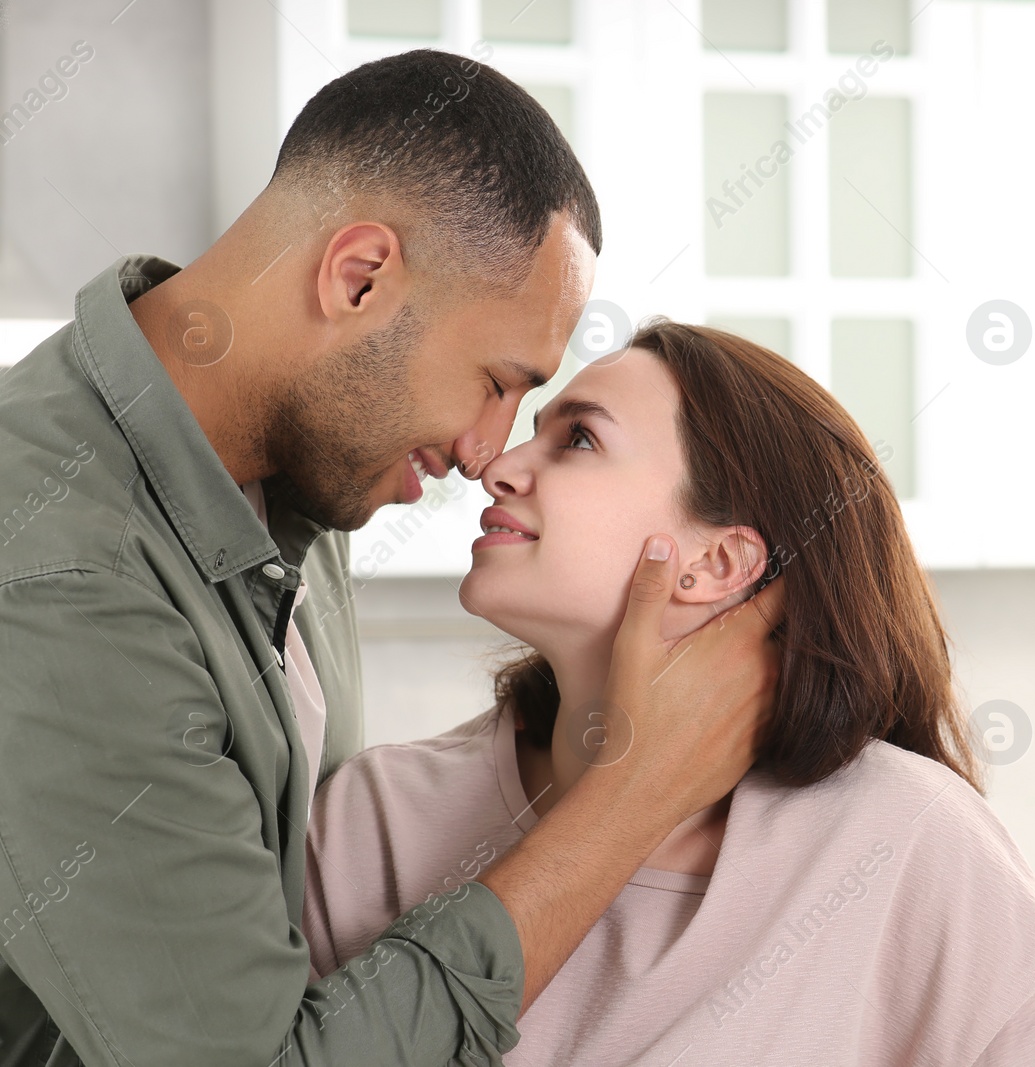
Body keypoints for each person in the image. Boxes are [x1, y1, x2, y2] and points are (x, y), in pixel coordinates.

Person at [0, 52, 781, 1066]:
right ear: (359, 276)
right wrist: (637, 790)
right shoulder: (59, 573)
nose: (486, 451)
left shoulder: (292, 495)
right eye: (497, 380)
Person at [302, 321, 1035, 1065]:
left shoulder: (908, 837)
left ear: (715, 565)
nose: (498, 465)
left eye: (579, 439)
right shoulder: (375, 818)